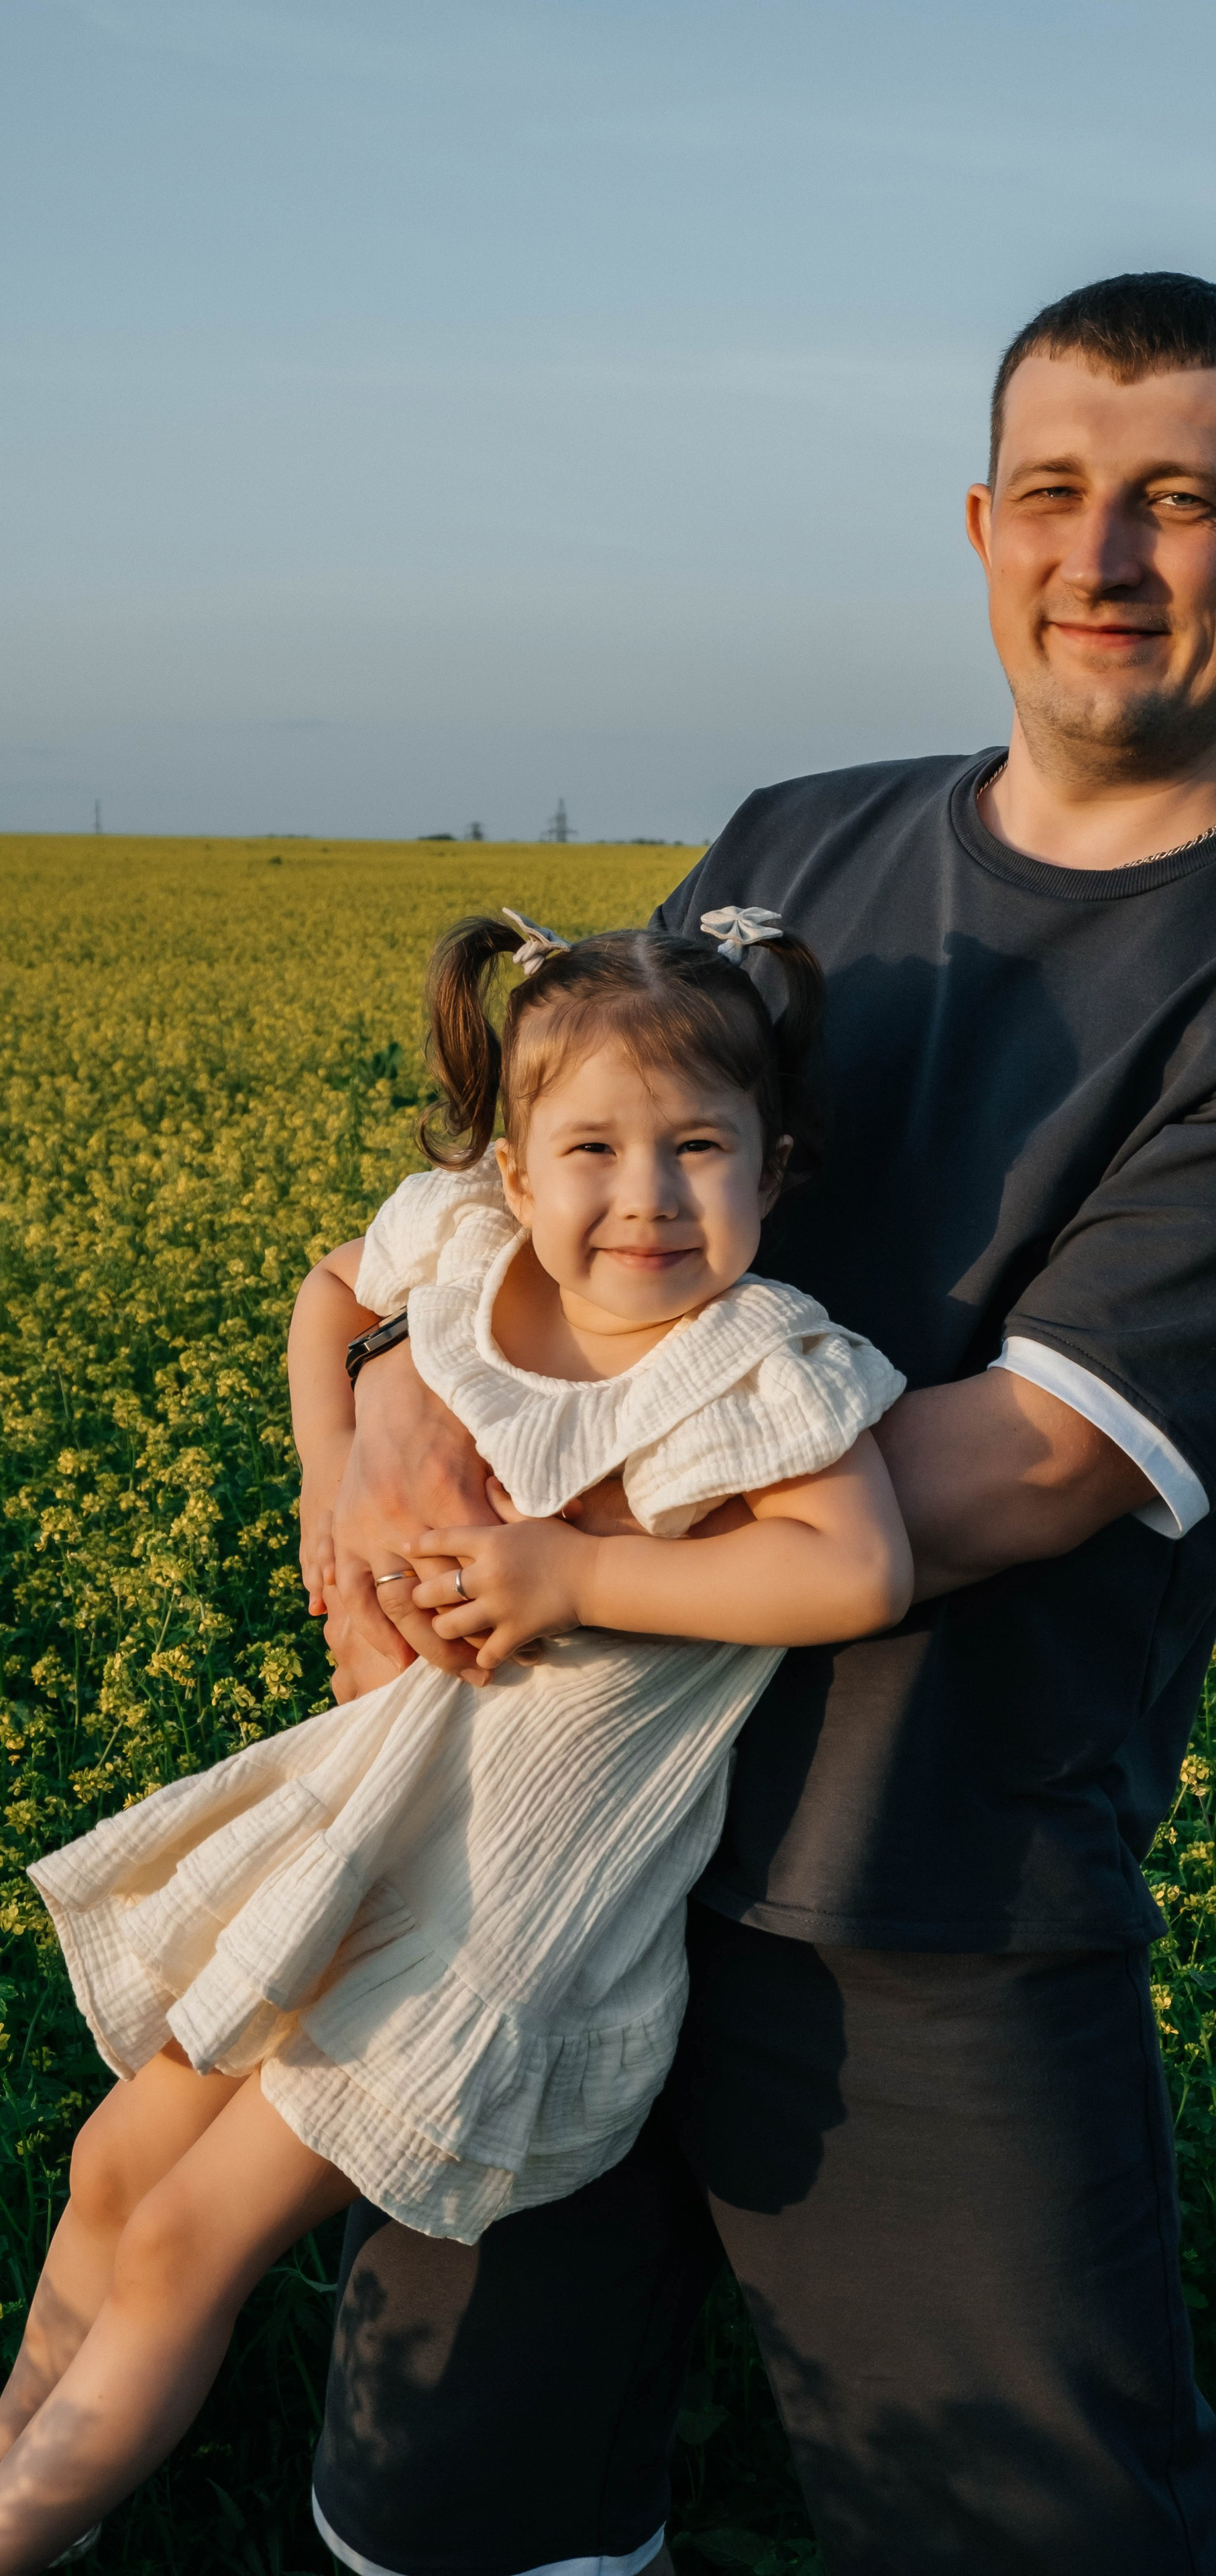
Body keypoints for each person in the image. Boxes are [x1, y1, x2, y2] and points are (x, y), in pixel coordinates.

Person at [301, 271, 1216, 2576]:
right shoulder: (800, 843)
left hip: (916, 1893)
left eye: (1182, 505)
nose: (1106, 563)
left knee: (1034, 2537)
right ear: (977, 524)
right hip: (530, 1826)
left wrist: (496, 1530)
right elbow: (522, 1204)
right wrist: (367, 1407)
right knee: (456, 2505)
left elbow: (1007, 1472)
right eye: (1055, 497)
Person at [4, 916, 909, 2574]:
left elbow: (858, 1567)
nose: (644, 1195)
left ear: (772, 1176)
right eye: (593, 1150)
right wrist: (329, 1462)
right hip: (362, 1835)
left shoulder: (753, 1360)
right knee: (115, 2156)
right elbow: (327, 1293)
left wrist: (576, 1571)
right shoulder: (458, 1252)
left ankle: (31, 2522)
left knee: (186, 2241)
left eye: (697, 1150)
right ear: (511, 1165)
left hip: (494, 1916)